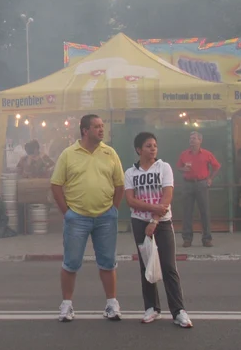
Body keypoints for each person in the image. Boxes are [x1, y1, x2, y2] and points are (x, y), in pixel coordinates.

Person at [50, 114, 125, 322]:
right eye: (97, 127)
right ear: (85, 130)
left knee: (108, 262)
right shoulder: (68, 154)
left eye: (102, 126)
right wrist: (67, 213)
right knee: (71, 262)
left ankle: (112, 304)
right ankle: (66, 305)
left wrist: (113, 210)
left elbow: (120, 185)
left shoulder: (110, 153)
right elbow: (56, 185)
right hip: (77, 218)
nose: (102, 130)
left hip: (105, 217)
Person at [124, 132, 193, 328]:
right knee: (146, 266)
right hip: (139, 223)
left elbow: (167, 196)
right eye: (148, 145)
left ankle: (178, 311)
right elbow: (130, 200)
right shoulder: (130, 173)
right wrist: (153, 208)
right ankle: (151, 308)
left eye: (155, 145)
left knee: (169, 267)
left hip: (162, 223)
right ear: (138, 150)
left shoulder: (164, 167)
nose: (153, 148)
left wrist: (155, 219)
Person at [176, 131, 221, 248]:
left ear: (200, 141)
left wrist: (210, 178)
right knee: (187, 212)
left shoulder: (207, 154)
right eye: (190, 138)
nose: (192, 140)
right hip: (187, 184)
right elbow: (178, 167)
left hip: (201, 184)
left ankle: (206, 239)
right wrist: (183, 169)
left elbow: (217, 166)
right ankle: (187, 239)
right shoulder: (184, 154)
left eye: (194, 138)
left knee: (204, 212)